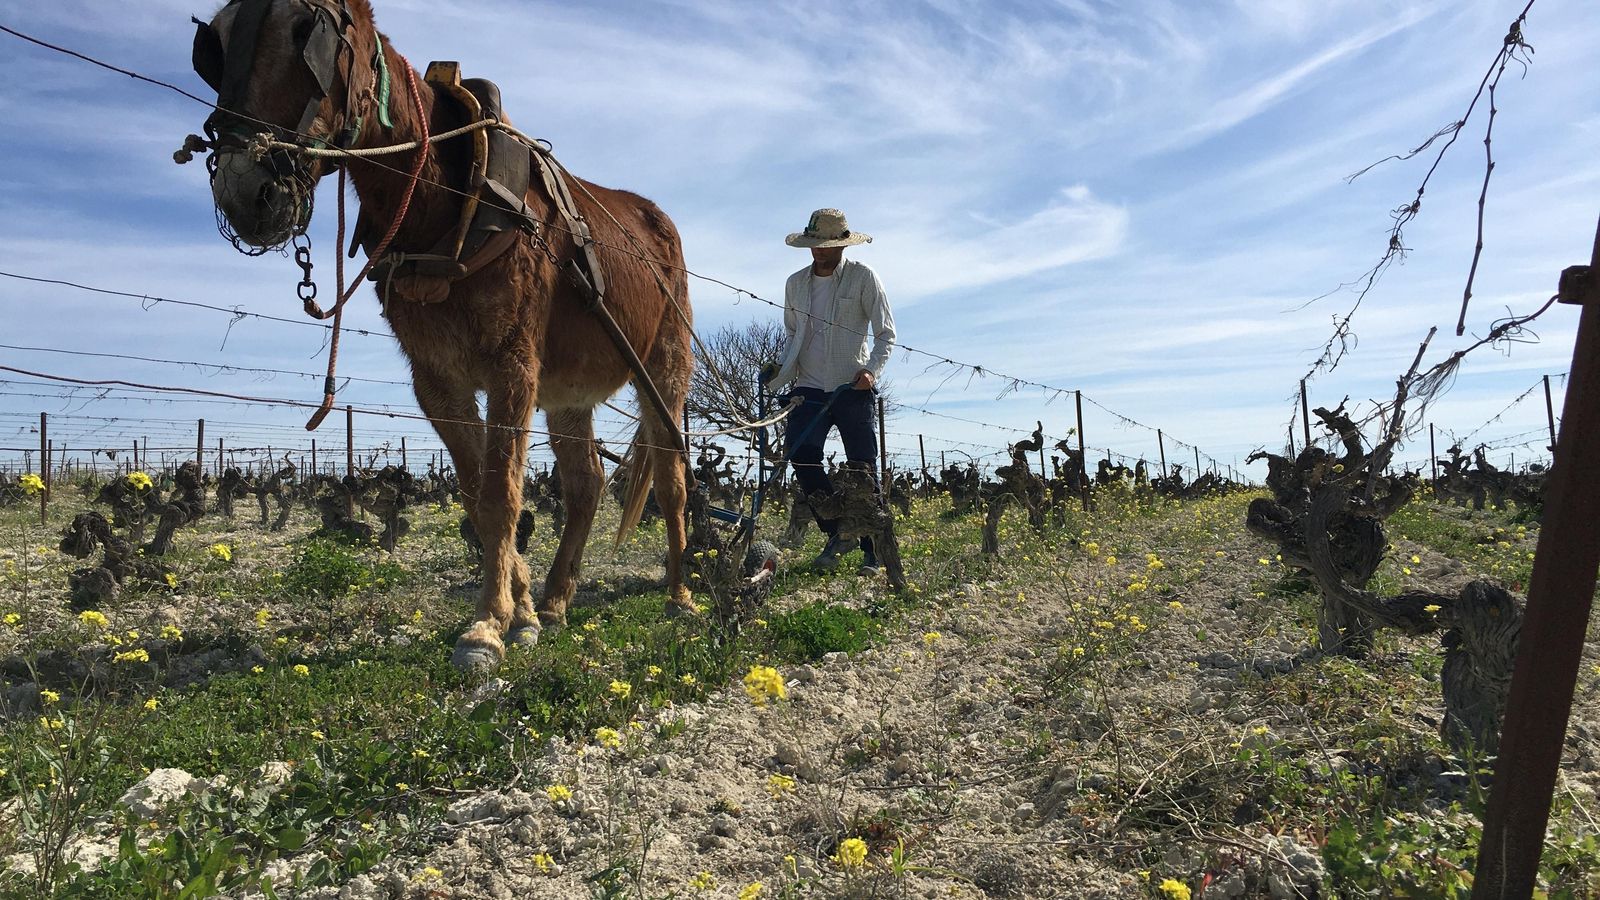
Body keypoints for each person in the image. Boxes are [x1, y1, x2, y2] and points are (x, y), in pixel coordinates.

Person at [762, 208, 896, 575]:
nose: (819, 250)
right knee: (802, 456)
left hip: (851, 386)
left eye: (827, 244)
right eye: (815, 244)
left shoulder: (863, 277)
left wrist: (870, 371)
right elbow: (792, 334)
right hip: (807, 385)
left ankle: (872, 548)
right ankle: (838, 532)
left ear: (841, 245)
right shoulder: (795, 283)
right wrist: (780, 369)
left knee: (862, 468)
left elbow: (886, 334)